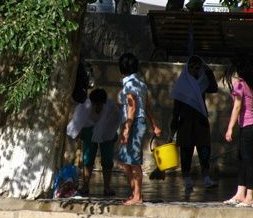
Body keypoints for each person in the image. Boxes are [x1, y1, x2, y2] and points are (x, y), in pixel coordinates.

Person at [170, 55, 218, 193]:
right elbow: (176, 108)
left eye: (198, 67)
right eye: (192, 67)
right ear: (187, 68)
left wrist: (208, 72)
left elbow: (214, 88)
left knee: (204, 149)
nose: (195, 70)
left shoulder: (202, 83)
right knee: (186, 150)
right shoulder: (182, 84)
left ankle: (206, 177)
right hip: (185, 121)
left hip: (200, 119)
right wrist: (173, 129)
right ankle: (186, 178)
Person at [117, 53, 161, 205]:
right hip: (136, 122)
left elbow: (132, 107)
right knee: (125, 161)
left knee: (133, 161)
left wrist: (126, 130)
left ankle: (138, 196)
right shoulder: (140, 84)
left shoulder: (130, 85)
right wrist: (154, 125)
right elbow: (147, 106)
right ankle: (134, 192)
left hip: (133, 123)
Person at [223, 56, 253, 207]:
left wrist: (229, 128)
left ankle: (251, 197)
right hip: (251, 126)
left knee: (248, 161)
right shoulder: (248, 85)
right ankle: (240, 194)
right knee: (242, 160)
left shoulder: (240, 85)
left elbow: (237, 107)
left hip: (249, 126)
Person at [67, 88, 121, 196]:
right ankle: (85, 186)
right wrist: (78, 133)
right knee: (88, 158)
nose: (97, 107)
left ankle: (107, 187)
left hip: (107, 131)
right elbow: (78, 121)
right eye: (95, 104)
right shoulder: (85, 106)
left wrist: (111, 134)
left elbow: (116, 121)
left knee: (107, 160)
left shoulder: (111, 107)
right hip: (89, 130)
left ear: (104, 103)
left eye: (99, 104)